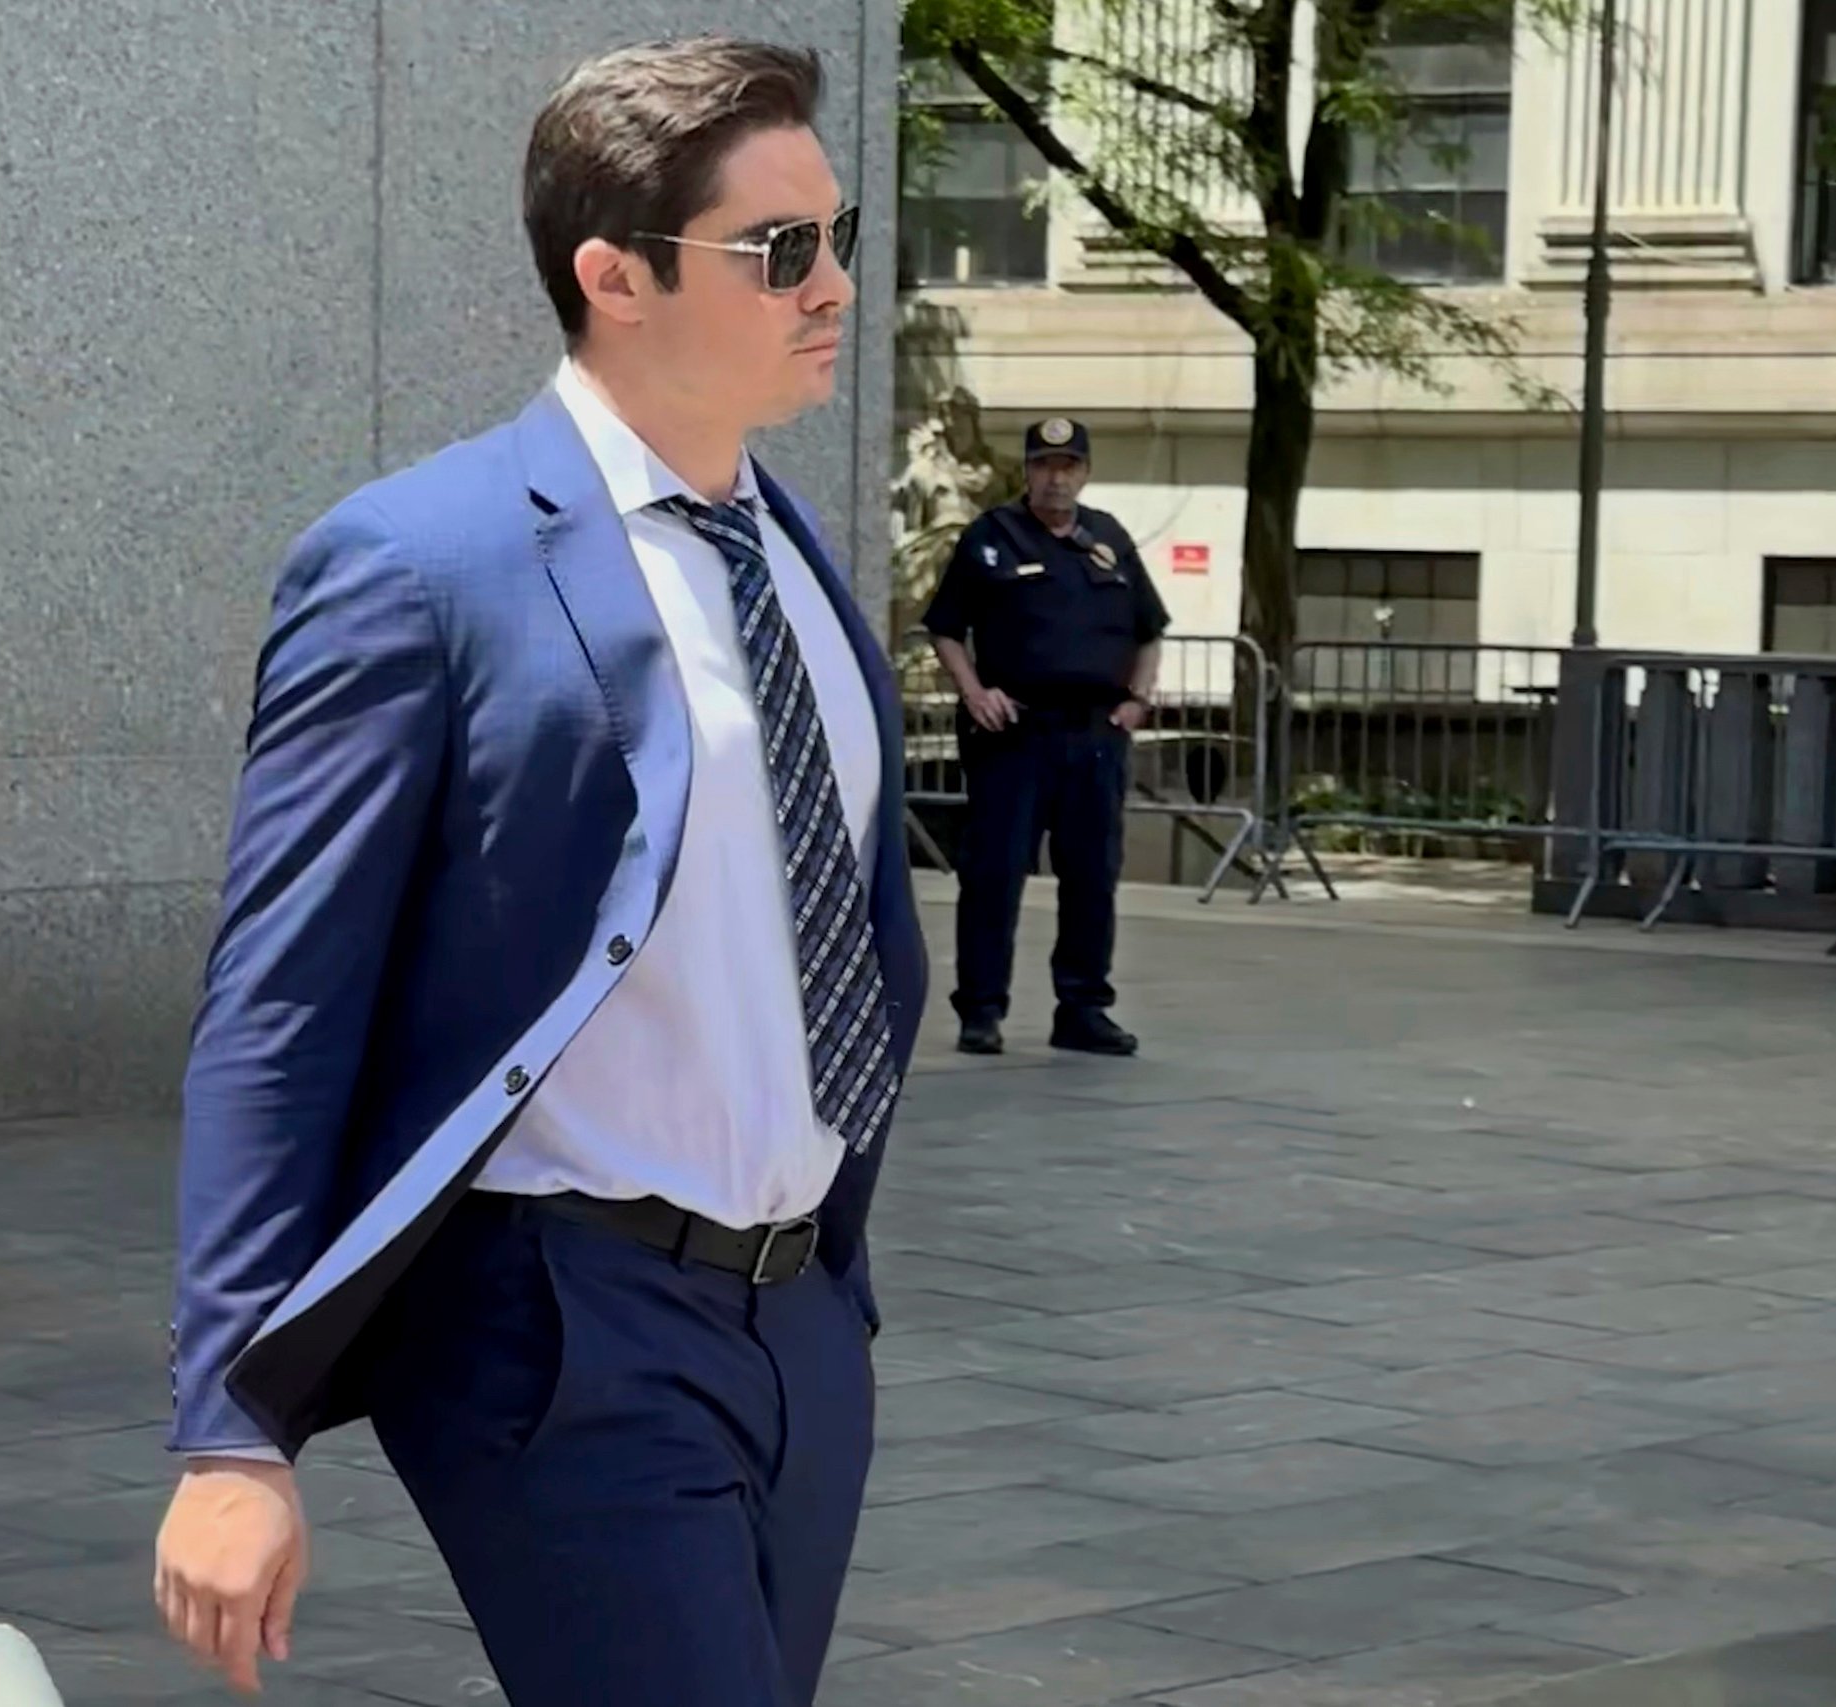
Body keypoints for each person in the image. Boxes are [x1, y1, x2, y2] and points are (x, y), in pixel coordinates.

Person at [151, 37, 928, 1707]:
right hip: (564, 1328)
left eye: (839, 234)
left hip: (799, 1321)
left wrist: (832, 1299)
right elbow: (280, 1009)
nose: (833, 287)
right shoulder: (418, 563)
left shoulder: (793, 554)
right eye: (780, 249)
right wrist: (230, 1428)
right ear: (615, 276)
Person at [922, 417, 1166, 1058]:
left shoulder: (1108, 539)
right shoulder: (992, 537)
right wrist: (975, 692)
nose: (1057, 478)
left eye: (1068, 466)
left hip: (1095, 735)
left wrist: (1138, 700)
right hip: (1015, 734)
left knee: (1092, 877)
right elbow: (946, 628)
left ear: (1085, 473)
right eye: (1044, 466)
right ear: (1027, 471)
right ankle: (981, 1010)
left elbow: (1150, 629)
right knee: (994, 874)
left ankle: (1083, 1009)